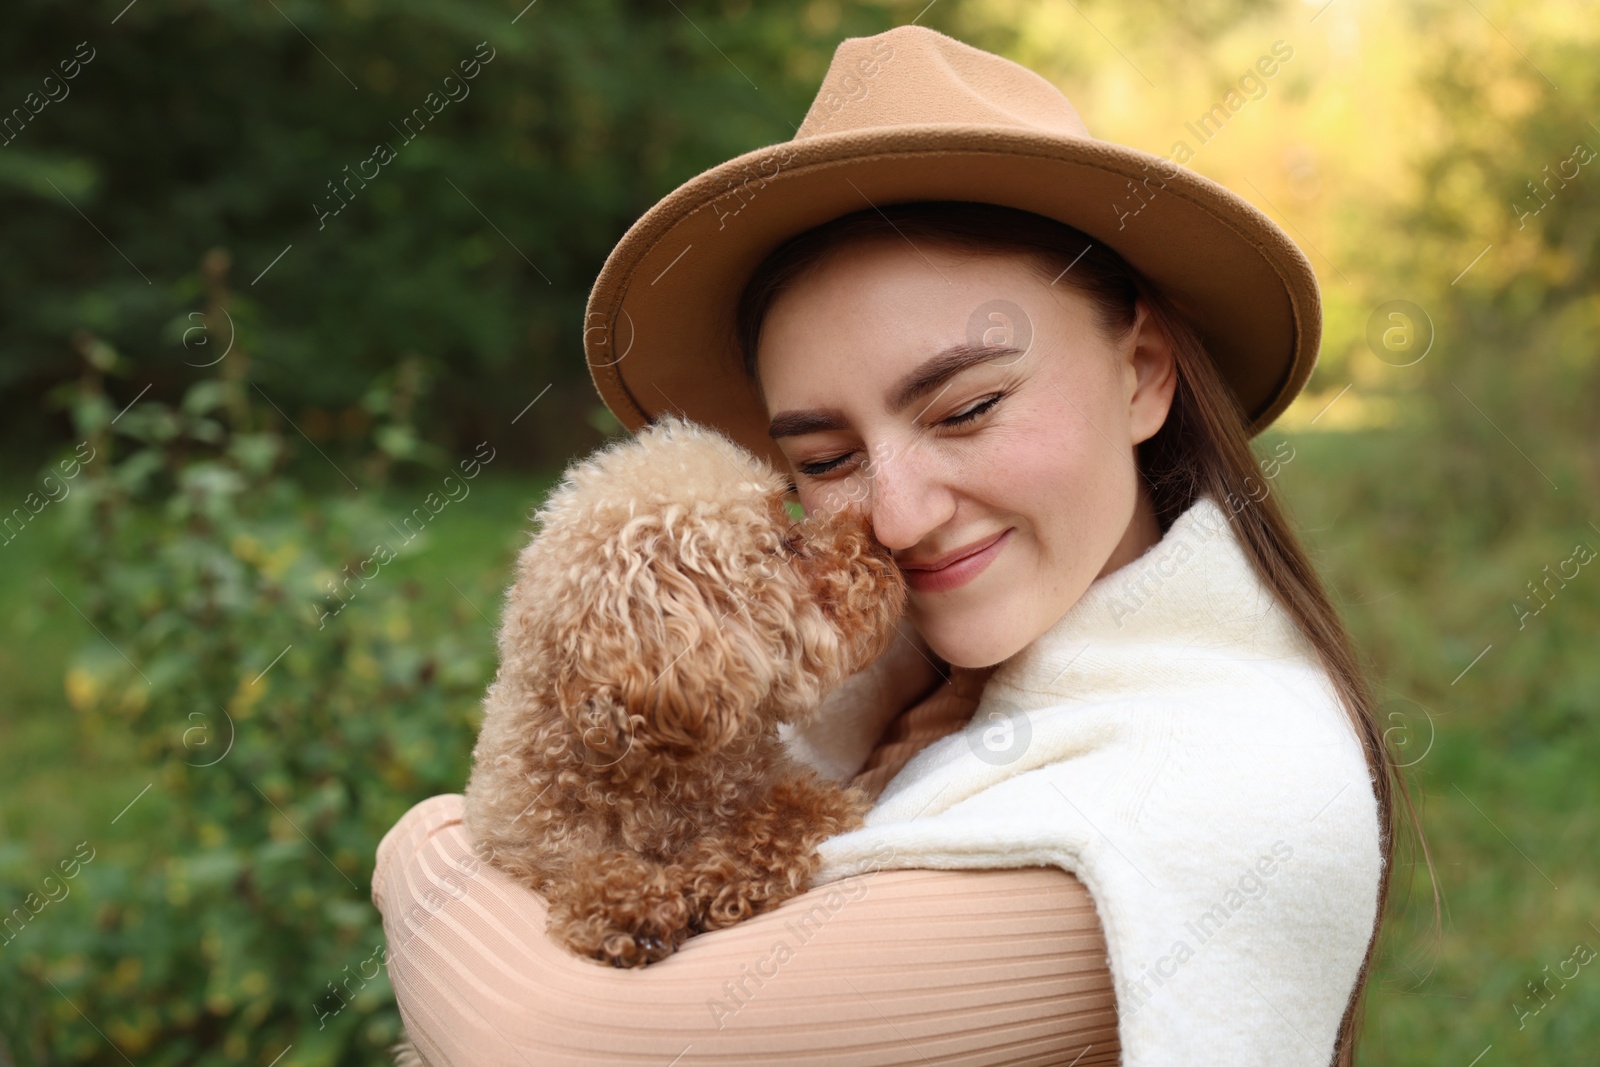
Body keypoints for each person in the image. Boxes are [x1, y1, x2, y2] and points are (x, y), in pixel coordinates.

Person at [373, 23, 1421, 1066]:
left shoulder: (1218, 785)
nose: (902, 516)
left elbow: (542, 1041)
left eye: (965, 408)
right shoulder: (881, 705)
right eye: (825, 459)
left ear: (1141, 371)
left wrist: (422, 847)